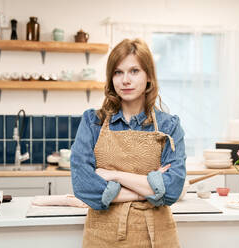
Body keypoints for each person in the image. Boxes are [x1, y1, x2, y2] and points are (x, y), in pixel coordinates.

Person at [70, 38, 186, 248]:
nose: (125, 80)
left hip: (156, 236)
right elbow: (83, 186)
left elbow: (172, 189)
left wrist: (114, 175)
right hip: (102, 236)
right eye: (118, 72)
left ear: (148, 76)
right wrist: (148, 191)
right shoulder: (92, 122)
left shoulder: (169, 126)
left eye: (134, 71)